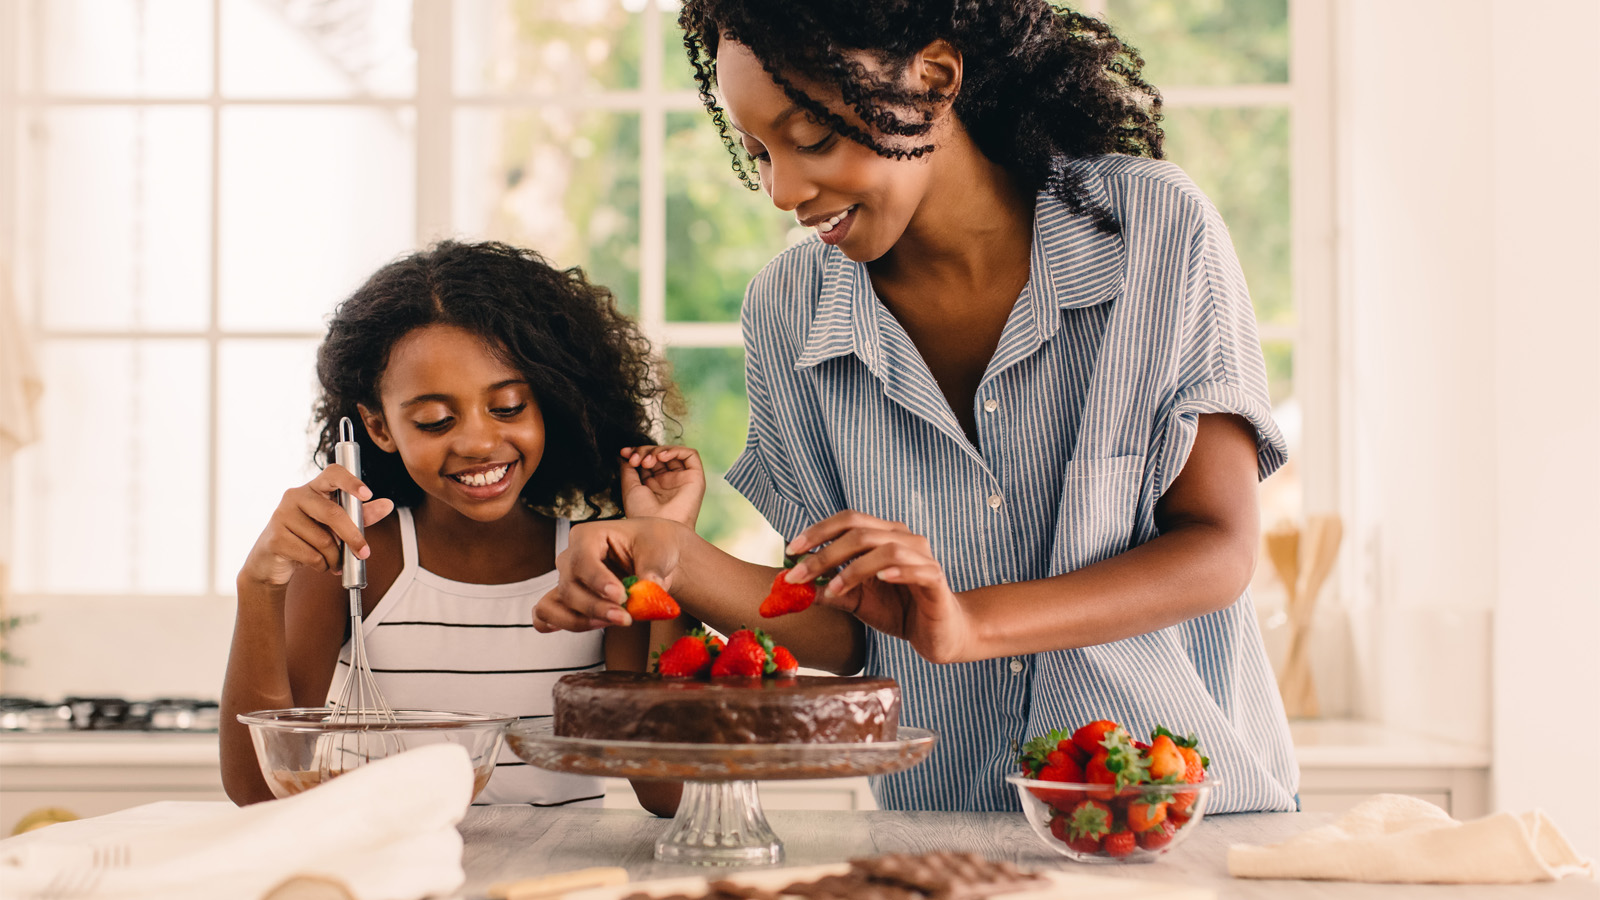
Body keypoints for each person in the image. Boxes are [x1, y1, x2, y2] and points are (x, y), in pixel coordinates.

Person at [535, 0, 1299, 815]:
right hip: (947, 823)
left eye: (813, 138)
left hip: (1174, 818)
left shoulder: (1148, 228)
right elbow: (851, 629)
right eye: (759, 152)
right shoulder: (787, 312)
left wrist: (970, 623)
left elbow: (1217, 550)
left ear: (932, 77)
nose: (783, 189)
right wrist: (670, 554)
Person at [221, 240, 698, 814]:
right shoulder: (357, 562)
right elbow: (257, 789)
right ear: (379, 428)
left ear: (550, 403)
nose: (477, 442)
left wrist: (670, 551)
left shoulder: (601, 566)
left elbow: (668, 791)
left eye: (509, 407)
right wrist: (258, 586)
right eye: (435, 420)